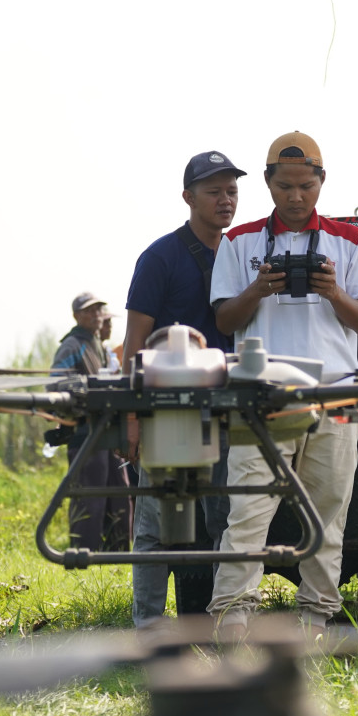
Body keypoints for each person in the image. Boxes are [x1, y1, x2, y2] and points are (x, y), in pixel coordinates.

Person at [207, 131, 358, 638]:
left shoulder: (352, 240)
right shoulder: (239, 242)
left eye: (306, 185)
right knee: (248, 508)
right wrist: (259, 287)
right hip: (261, 395)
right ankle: (233, 617)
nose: (296, 196)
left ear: (322, 181)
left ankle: (317, 616)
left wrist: (333, 292)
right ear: (268, 183)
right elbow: (223, 320)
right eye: (285, 185)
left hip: (336, 392)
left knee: (328, 510)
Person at [121, 149, 244, 632]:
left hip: (224, 407)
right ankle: (149, 628)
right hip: (165, 409)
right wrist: (131, 416)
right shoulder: (160, 257)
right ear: (188, 197)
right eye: (214, 191)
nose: (225, 200)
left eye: (232, 190)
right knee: (153, 526)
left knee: (224, 519)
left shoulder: (240, 254)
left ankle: (220, 624)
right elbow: (134, 342)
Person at [51, 293, 132, 551]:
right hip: (85, 433)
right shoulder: (72, 345)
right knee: (89, 496)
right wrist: (85, 392)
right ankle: (82, 554)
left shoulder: (102, 347)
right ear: (77, 316)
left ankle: (117, 555)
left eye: (99, 308)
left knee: (119, 494)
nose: (97, 314)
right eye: (90, 310)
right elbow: (55, 384)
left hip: (110, 433)